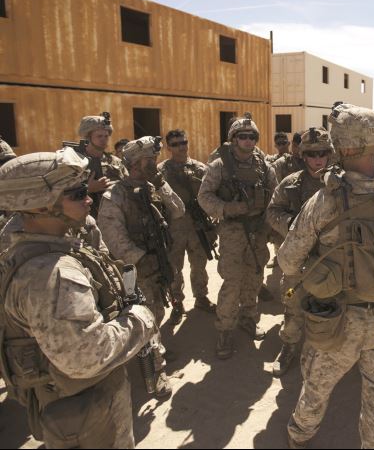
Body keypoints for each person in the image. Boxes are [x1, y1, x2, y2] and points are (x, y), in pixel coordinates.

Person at [281, 103, 374, 449]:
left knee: (316, 389)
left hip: (337, 320)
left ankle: (298, 437)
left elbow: (288, 261)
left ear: (343, 147)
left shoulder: (324, 200)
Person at [0, 148, 155, 448]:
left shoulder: (58, 244)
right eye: (77, 194)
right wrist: (140, 319)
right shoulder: (52, 275)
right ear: (40, 206)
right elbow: (87, 356)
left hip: (86, 402)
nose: (89, 199)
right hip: (84, 408)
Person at [98, 136, 184, 398]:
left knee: (157, 312)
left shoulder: (153, 186)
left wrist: (162, 184)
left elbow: (178, 210)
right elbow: (113, 238)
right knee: (145, 317)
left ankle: (154, 352)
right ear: (135, 163)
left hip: (158, 262)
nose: (154, 164)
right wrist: (140, 258)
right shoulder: (115, 195)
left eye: (155, 159)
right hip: (134, 269)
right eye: (149, 160)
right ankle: (156, 372)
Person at [198, 114, 276, 359]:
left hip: (257, 231)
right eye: (243, 136)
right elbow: (204, 197)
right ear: (233, 139)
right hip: (232, 231)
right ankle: (225, 329)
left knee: (254, 278)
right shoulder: (219, 166)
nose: (248, 140)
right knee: (232, 282)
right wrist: (227, 208)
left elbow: (275, 198)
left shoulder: (264, 166)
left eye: (252, 136)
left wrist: (269, 225)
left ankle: (248, 318)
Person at [266, 127, 333, 376]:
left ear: (329, 154)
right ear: (303, 156)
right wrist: (293, 224)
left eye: (322, 153)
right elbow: (272, 211)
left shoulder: (341, 183)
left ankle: (328, 353)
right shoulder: (291, 184)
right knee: (292, 303)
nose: (318, 159)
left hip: (331, 259)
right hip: (298, 259)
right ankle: (289, 346)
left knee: (331, 306)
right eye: (312, 154)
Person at [158, 129, 217, 315]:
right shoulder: (161, 171)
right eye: (175, 144)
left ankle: (201, 297)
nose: (181, 147)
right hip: (174, 228)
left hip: (197, 226)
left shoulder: (200, 169)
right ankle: (177, 302)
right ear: (168, 148)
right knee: (174, 267)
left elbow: (210, 195)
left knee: (199, 265)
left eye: (183, 142)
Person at [76, 113, 128, 218]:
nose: (104, 139)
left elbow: (129, 186)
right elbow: (60, 194)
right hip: (87, 219)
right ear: (87, 138)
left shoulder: (116, 162)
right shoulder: (75, 162)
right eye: (99, 136)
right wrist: (88, 189)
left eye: (106, 136)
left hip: (116, 219)